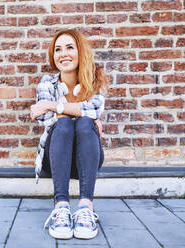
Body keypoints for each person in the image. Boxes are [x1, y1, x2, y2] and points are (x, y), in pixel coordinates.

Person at [30, 29, 108, 240]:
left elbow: (95, 110)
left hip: (88, 160)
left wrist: (49, 105)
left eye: (69, 47)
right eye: (58, 49)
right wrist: (81, 113)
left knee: (84, 123)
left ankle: (85, 209)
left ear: (80, 51)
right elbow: (46, 121)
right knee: (64, 124)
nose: (63, 53)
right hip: (54, 160)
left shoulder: (95, 80)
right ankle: (61, 208)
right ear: (53, 56)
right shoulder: (47, 83)